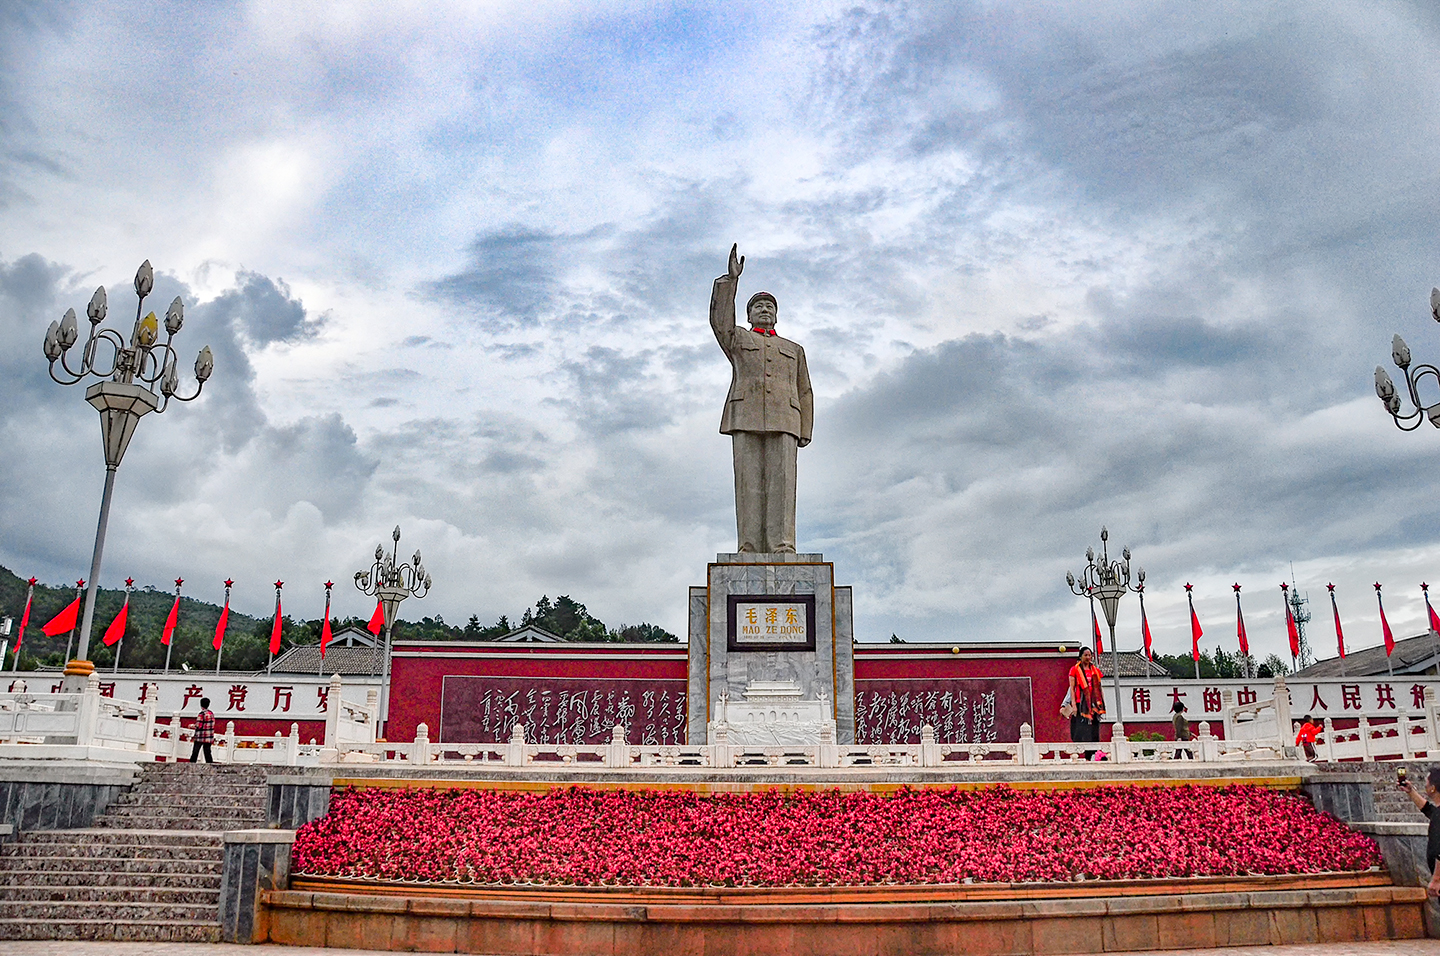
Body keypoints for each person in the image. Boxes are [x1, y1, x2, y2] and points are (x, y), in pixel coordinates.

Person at [710, 243, 814, 554]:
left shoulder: (794, 349)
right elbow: (720, 323)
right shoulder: (738, 338)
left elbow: (805, 389)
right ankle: (749, 545)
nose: (765, 310)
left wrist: (805, 429)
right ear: (749, 314)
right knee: (749, 484)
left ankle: (783, 544)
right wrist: (731, 282)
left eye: (770, 307)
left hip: (786, 419)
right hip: (746, 415)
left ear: (777, 316)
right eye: (758, 307)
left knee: (782, 485)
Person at [1401, 767, 1440, 898]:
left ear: (1433, 788)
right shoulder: (1437, 813)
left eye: (1427, 783)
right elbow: (1428, 810)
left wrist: (1436, 879)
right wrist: (1411, 792)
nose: (1425, 785)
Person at [1067, 647, 1105, 755]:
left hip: (1094, 703)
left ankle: (1092, 754)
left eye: (1089, 655)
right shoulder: (1075, 670)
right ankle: (1079, 752)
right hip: (1081, 703)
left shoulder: (1095, 671)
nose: (1088, 657)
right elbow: (1072, 689)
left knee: (1094, 728)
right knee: (1080, 728)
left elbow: (1099, 687)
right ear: (1081, 656)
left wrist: (1101, 703)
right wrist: (1073, 704)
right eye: (1086, 655)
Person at [190, 697, 215, 764]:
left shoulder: (202, 714)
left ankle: (192, 764)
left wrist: (192, 726)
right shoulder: (211, 713)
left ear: (201, 705)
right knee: (207, 752)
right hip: (209, 736)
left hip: (200, 736)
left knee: (195, 751)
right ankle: (210, 765)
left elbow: (199, 725)